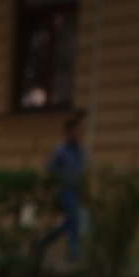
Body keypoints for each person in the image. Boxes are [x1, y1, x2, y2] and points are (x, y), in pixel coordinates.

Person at [36, 112, 87, 264]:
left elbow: (82, 171)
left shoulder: (80, 151)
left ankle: (43, 242)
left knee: (70, 222)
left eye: (80, 131)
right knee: (74, 220)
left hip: (77, 190)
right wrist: (58, 182)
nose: (79, 134)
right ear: (68, 132)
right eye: (76, 131)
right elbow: (50, 169)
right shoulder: (61, 151)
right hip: (65, 190)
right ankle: (73, 252)